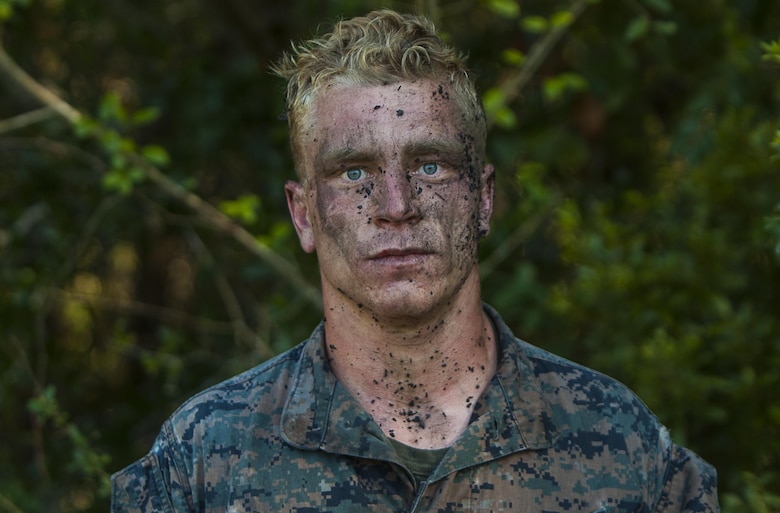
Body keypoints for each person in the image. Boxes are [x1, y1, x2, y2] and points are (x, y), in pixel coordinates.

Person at [111, 9, 719, 512]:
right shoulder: (202, 455)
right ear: (303, 215)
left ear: (482, 199)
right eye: (354, 174)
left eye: (429, 166)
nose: (396, 207)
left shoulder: (622, 441)